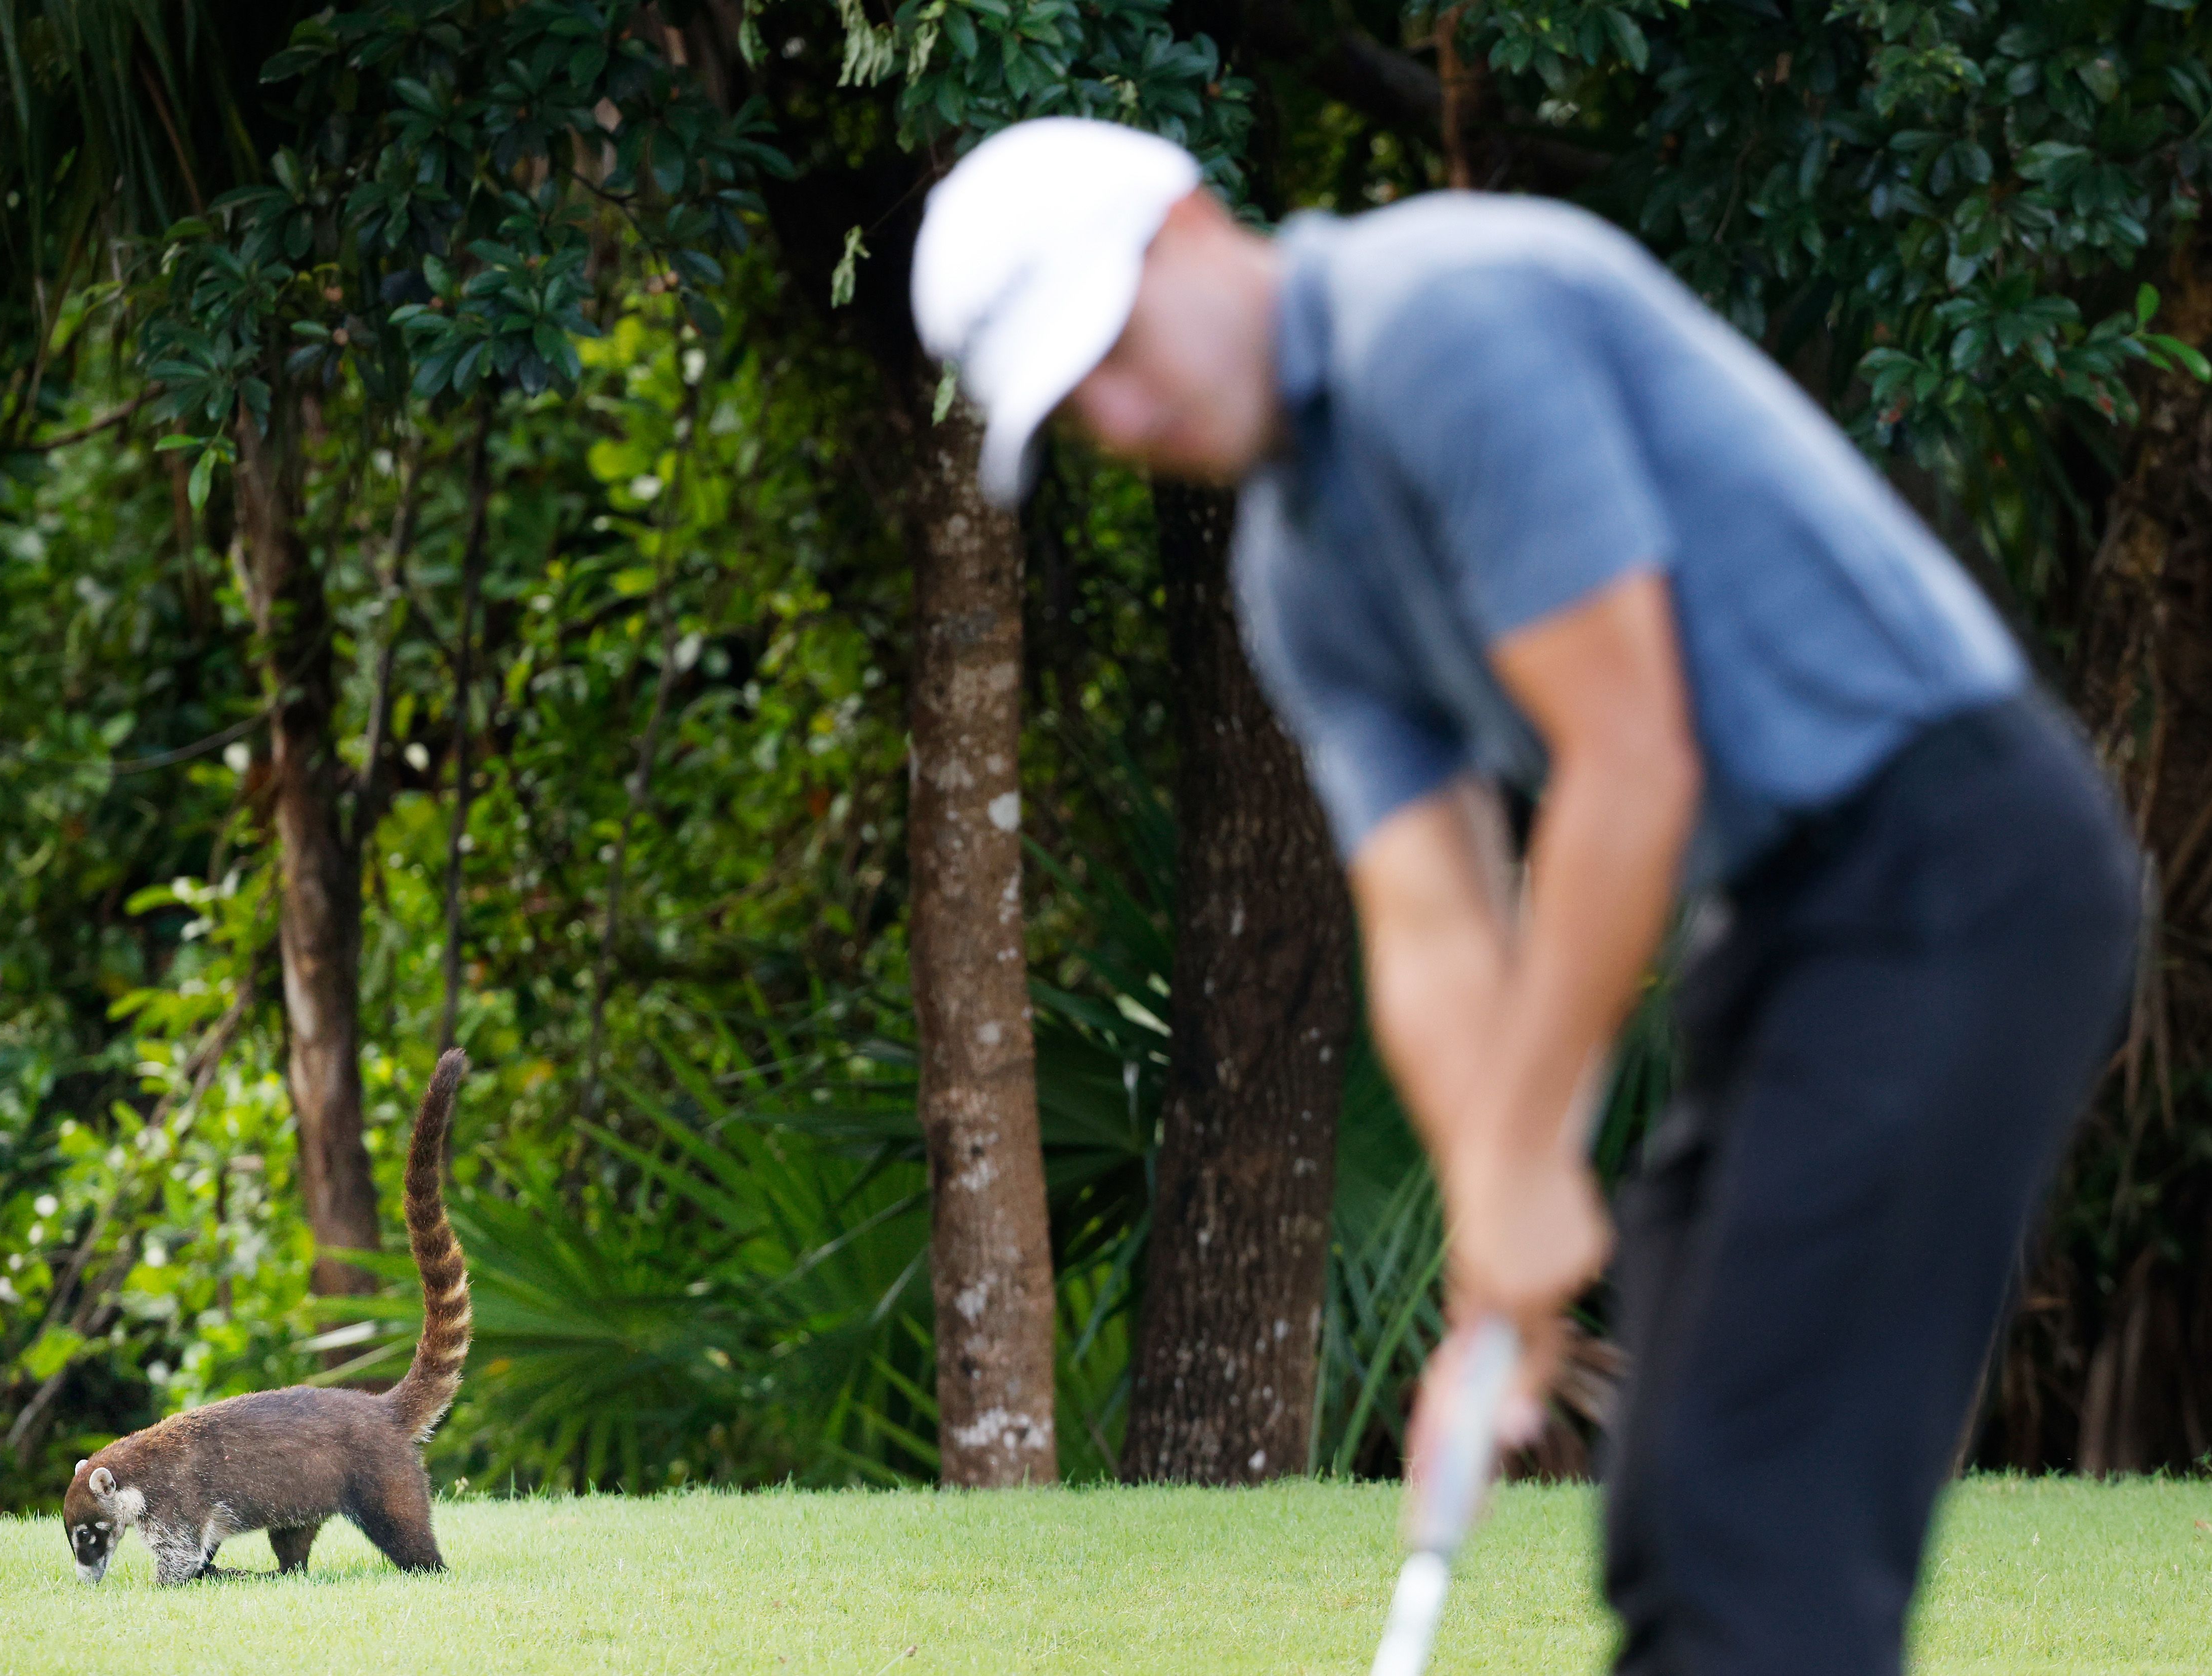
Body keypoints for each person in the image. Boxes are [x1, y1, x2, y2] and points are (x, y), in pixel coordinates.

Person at [909, 117, 2140, 1675]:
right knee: (1672, 1511)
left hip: (1954, 863)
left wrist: (1525, 1166)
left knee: (1758, 1519)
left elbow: (1630, 761)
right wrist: (1494, 1210)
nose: (1120, 414)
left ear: (1195, 229)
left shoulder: (1443, 316)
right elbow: (1430, 919)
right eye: (1074, 408)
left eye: (1111, 350)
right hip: (1789, 924)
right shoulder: (1295, 566)